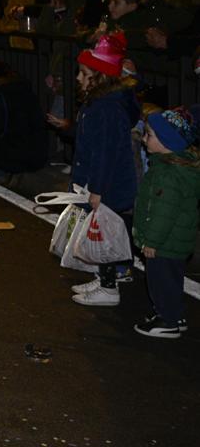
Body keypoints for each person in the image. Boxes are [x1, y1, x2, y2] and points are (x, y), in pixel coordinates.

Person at [49, 33, 140, 306]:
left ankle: (109, 288)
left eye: (84, 73)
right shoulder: (102, 105)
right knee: (100, 231)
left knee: (105, 234)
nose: (78, 78)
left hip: (107, 185)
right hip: (102, 182)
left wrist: (97, 189)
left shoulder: (105, 108)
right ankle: (103, 279)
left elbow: (104, 153)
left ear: (99, 77)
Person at [131, 107, 199, 338]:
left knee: (160, 281)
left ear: (166, 141)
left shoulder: (168, 174)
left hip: (164, 242)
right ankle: (174, 314)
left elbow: (164, 212)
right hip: (175, 241)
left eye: (149, 135)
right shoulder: (177, 168)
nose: (144, 138)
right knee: (171, 279)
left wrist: (152, 241)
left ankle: (167, 320)